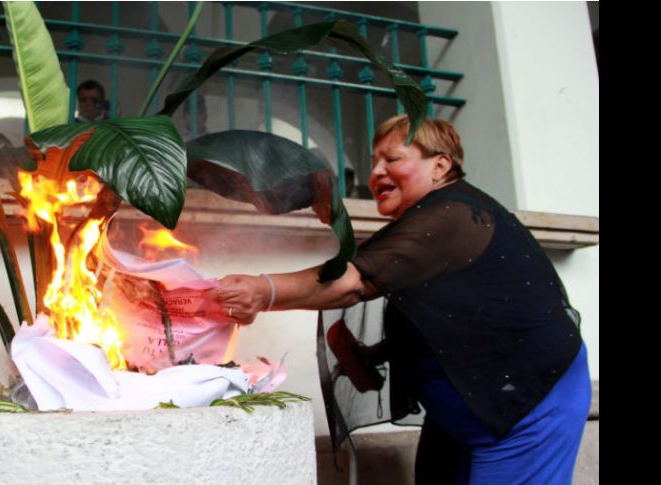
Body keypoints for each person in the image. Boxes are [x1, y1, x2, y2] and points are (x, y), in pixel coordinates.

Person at [209, 115, 592, 484]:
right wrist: (371, 355)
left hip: (527, 401)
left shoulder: (453, 215)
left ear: (440, 166)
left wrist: (263, 290)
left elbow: (353, 282)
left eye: (392, 159)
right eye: (374, 161)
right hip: (469, 410)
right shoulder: (429, 219)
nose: (376, 172)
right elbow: (461, 319)